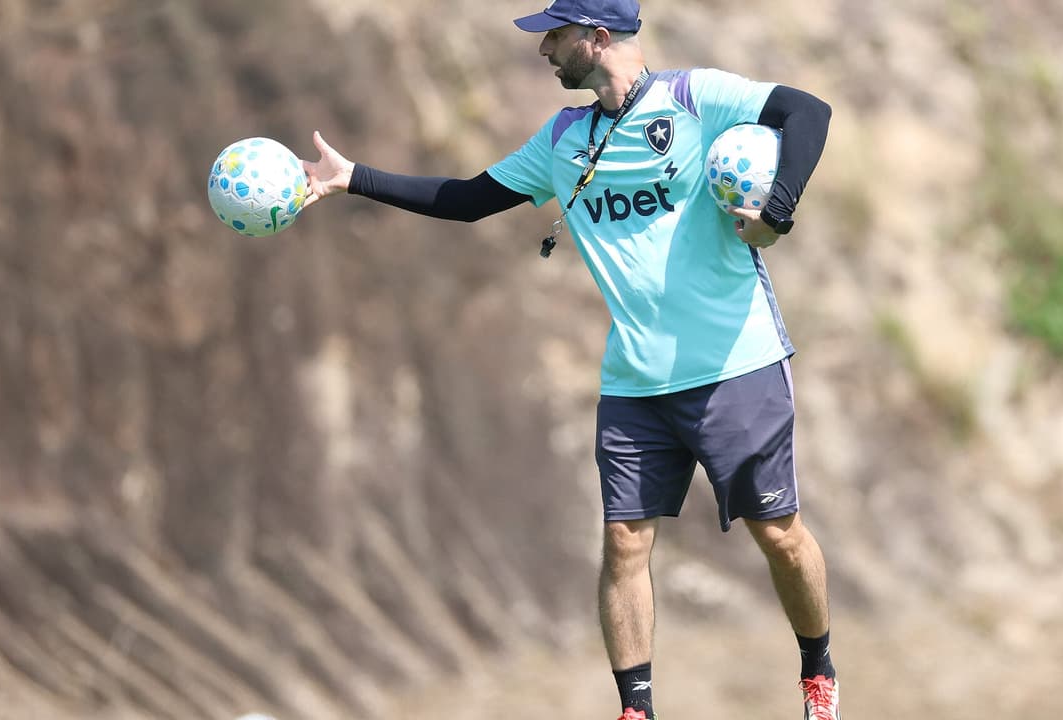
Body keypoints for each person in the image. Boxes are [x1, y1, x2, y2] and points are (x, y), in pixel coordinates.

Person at [300, 1, 837, 718]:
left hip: (735, 365)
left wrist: (778, 208)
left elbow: (808, 111)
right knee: (623, 542)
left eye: (555, 36)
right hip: (635, 380)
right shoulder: (563, 139)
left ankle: (818, 669)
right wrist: (352, 177)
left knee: (779, 535)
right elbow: (467, 199)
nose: (545, 49)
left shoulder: (694, 98)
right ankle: (636, 709)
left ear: (597, 37)